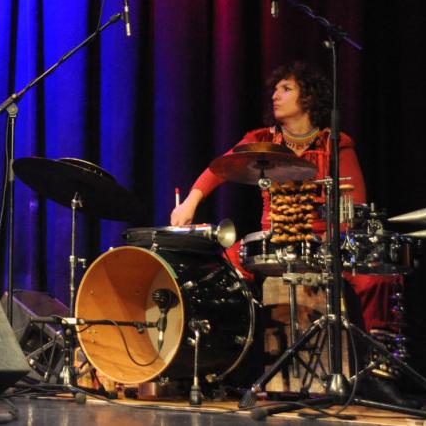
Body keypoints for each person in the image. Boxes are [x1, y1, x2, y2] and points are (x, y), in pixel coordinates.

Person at [170, 61, 406, 401]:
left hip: (325, 244)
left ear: (308, 98)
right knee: (214, 277)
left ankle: (380, 373)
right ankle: (211, 365)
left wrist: (334, 238)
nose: (275, 95)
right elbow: (218, 169)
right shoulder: (262, 140)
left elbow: (354, 202)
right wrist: (190, 202)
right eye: (276, 89)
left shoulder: (334, 143)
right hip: (274, 241)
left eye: (286, 89)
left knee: (377, 277)